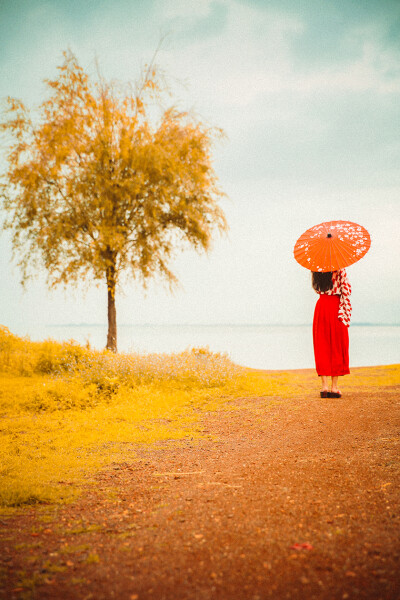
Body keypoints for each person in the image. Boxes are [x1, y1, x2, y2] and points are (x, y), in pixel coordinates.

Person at [312, 269, 352, 398]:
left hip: (321, 306)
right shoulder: (340, 270)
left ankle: (324, 387)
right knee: (337, 345)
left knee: (321, 345)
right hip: (335, 306)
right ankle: (334, 388)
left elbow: (316, 288)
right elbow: (346, 291)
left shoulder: (316, 270)